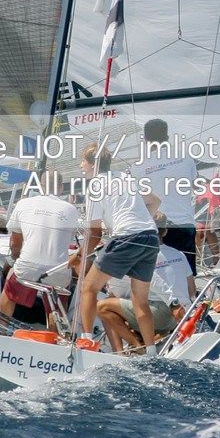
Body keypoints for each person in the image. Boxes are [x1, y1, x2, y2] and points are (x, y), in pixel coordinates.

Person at [77, 144, 162, 352]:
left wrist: (81, 259)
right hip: (150, 236)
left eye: (83, 162)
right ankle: (151, 353)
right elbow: (155, 201)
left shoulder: (95, 186)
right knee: (139, 300)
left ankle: (87, 343)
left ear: (92, 164)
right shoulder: (127, 178)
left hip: (125, 237)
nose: (81, 166)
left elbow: (94, 233)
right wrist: (141, 222)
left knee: (89, 287)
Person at [0, 173, 80, 320]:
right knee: (56, 309)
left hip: (28, 267)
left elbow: (15, 245)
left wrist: (15, 259)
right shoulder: (71, 209)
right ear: (61, 188)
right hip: (58, 270)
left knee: (9, 294)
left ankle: (0, 332)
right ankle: (55, 340)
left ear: (40, 187)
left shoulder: (23, 204)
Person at [134, 118, 200, 272]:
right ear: (167, 138)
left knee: (158, 279)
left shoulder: (138, 167)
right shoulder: (186, 158)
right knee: (187, 278)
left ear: (145, 139)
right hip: (184, 225)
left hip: (157, 229)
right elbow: (193, 184)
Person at [97, 240, 197, 340]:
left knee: (102, 307)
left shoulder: (131, 260)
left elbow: (154, 282)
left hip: (167, 313)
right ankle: (145, 341)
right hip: (184, 314)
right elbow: (192, 291)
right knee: (120, 310)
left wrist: (173, 304)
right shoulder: (178, 254)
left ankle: (130, 348)